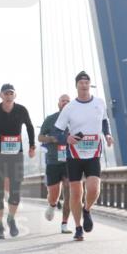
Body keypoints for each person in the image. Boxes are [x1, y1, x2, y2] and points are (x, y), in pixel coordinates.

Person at [51, 72, 114, 241]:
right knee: (75, 193)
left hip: (93, 153)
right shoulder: (69, 107)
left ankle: (87, 209)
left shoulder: (99, 103)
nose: (84, 85)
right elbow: (56, 131)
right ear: (76, 86)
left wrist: (107, 135)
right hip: (75, 155)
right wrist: (67, 138)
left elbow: (104, 121)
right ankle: (78, 227)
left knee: (94, 189)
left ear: (89, 85)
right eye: (81, 83)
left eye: (87, 82)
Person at [0, 83, 36, 239]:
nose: (8, 95)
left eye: (11, 93)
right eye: (6, 93)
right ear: (1, 95)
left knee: (15, 191)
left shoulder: (21, 110)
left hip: (16, 155)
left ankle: (11, 219)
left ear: (15, 95)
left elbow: (30, 127)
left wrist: (32, 146)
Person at [39, 94, 73, 233]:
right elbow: (40, 137)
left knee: (68, 190)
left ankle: (64, 224)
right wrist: (52, 139)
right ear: (58, 103)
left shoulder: (75, 119)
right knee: (54, 193)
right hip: (53, 160)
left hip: (70, 160)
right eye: (62, 101)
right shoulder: (50, 119)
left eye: (67, 101)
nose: (65, 103)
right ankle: (52, 205)